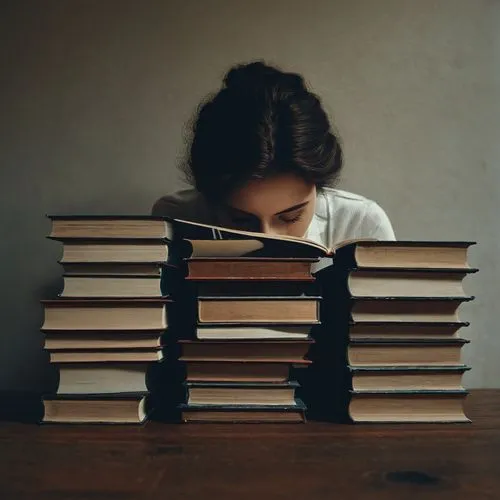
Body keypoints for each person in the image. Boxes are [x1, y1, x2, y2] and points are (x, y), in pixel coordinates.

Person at [152, 61, 395, 246]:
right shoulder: (176, 219)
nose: (268, 239)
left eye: (290, 218)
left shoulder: (362, 225)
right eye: (240, 221)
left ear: (318, 187)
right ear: (211, 197)